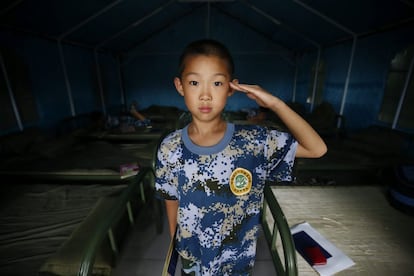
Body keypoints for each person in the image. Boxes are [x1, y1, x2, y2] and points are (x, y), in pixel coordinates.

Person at [155, 39, 327, 275]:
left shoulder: (254, 141)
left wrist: (275, 104)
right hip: (192, 257)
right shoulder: (170, 147)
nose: (205, 95)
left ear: (230, 87)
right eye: (194, 82)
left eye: (217, 83)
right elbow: (171, 199)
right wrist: (176, 242)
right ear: (180, 85)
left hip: (235, 262)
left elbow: (317, 149)